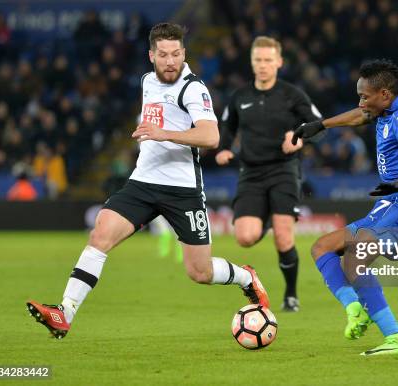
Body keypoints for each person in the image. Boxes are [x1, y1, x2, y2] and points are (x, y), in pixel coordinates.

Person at [26, 23, 269, 339]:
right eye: (164, 55)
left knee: (200, 271)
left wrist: (162, 133)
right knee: (100, 234)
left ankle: (246, 277)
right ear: (151, 55)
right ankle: (64, 313)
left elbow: (211, 136)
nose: (171, 61)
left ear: (184, 53)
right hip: (143, 182)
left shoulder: (192, 88)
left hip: (183, 190)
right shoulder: (146, 81)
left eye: (177, 54)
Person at [292, 59, 398, 356]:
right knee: (322, 247)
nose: (361, 101)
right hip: (393, 204)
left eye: (364, 96)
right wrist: (321, 125)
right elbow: (361, 115)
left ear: (384, 94)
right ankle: (356, 309)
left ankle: (396, 338)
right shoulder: (386, 108)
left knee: (354, 257)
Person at [215, 36, 322, 312]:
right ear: (252, 63)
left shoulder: (292, 95)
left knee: (284, 237)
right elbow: (228, 127)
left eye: (267, 60)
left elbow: (318, 124)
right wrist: (224, 149)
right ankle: (271, 218)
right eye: (258, 60)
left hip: (284, 169)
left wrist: (298, 136)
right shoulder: (240, 96)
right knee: (245, 238)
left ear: (279, 62)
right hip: (250, 172)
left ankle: (291, 295)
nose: (262, 66)